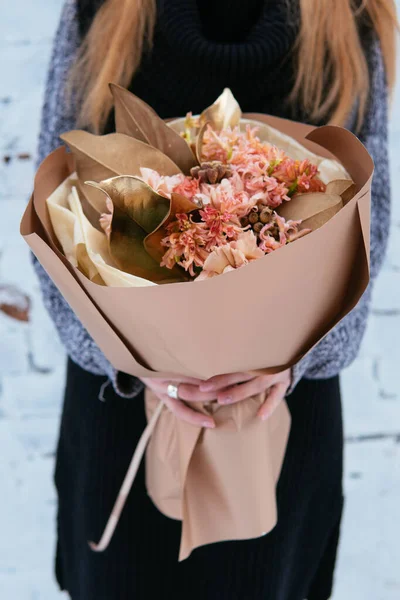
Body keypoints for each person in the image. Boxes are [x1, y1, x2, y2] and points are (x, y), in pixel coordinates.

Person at [35, 0, 397, 598]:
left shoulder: (350, 18)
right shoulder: (101, 12)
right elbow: (55, 203)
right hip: (121, 409)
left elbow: (367, 223)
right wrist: (134, 361)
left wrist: (289, 362)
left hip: (281, 411)